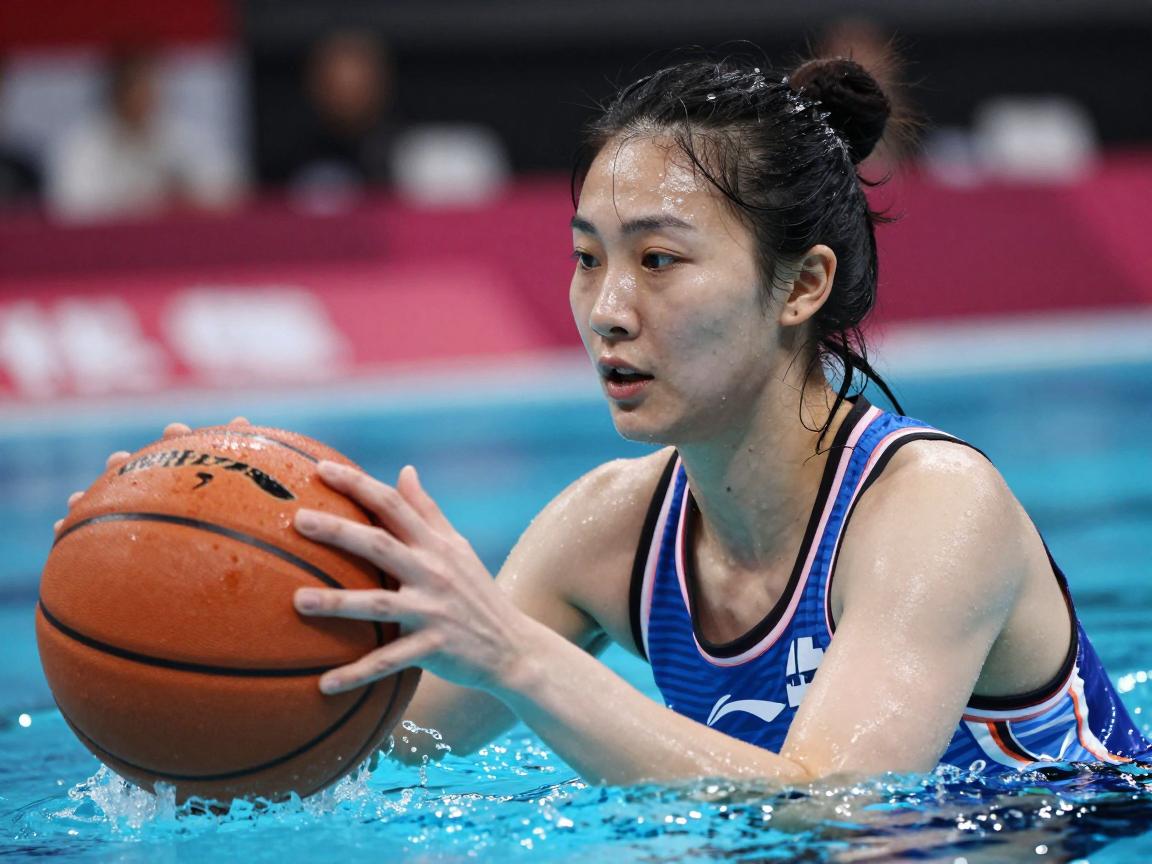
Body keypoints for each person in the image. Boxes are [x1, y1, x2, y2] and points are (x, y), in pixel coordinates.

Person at [72, 54, 1148, 785]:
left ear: (802, 284)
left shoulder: (936, 511)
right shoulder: (609, 532)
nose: (607, 309)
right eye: (587, 258)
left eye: (659, 260)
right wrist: (162, 579)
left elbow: (838, 808)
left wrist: (518, 657)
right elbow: (379, 747)